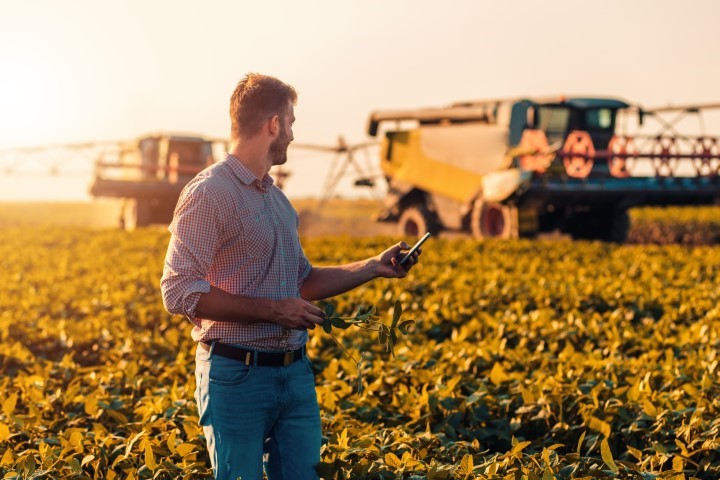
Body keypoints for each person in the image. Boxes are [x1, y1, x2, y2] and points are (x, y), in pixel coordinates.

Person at [160, 73, 421, 480]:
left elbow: (301, 281)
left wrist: (372, 267)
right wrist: (272, 311)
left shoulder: (277, 200)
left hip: (294, 373)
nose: (294, 134)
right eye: (292, 122)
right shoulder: (208, 193)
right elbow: (178, 290)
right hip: (236, 374)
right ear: (273, 124)